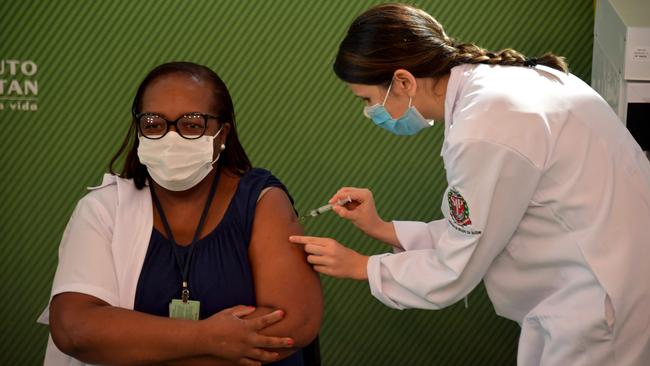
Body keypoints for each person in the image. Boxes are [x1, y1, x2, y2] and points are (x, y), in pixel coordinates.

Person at [289, 3, 650, 365]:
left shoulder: (483, 128)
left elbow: (456, 268)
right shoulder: (500, 85)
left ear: (402, 81)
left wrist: (361, 266)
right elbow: (481, 226)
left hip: (600, 300)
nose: (370, 113)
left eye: (367, 100)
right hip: (599, 276)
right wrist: (381, 229)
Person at [38, 61, 323, 366]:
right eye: (154, 124)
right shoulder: (104, 208)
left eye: (191, 124)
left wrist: (141, 347)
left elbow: (294, 323)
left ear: (222, 132)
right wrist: (210, 339)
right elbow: (74, 329)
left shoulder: (261, 200)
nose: (170, 138)